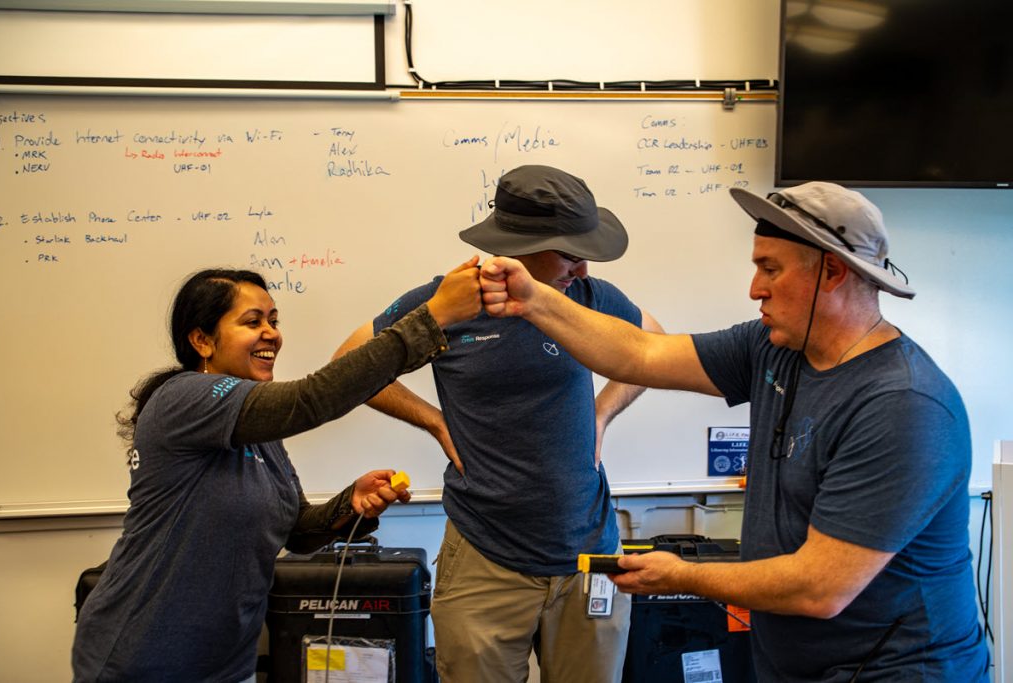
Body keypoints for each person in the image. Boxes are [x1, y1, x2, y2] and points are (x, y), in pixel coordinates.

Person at [479, 181, 990, 681]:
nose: (754, 288)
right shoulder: (774, 347)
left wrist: (682, 576)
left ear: (832, 272)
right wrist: (534, 300)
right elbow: (640, 353)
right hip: (799, 665)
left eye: (770, 269)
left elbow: (819, 588)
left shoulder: (901, 404)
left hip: (898, 670)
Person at [72, 259, 482, 682]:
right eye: (252, 322)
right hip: (143, 656)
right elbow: (310, 400)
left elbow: (296, 532)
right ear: (202, 340)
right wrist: (431, 318)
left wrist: (350, 503)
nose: (272, 333)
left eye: (273, 319)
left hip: (226, 664)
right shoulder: (182, 398)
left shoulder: (257, 430)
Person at [334, 165, 663, 682]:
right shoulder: (449, 301)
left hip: (589, 555)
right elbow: (349, 362)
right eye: (571, 254)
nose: (581, 269)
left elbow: (653, 346)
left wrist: (602, 412)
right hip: (485, 556)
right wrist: (435, 422)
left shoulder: (586, 295)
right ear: (521, 244)